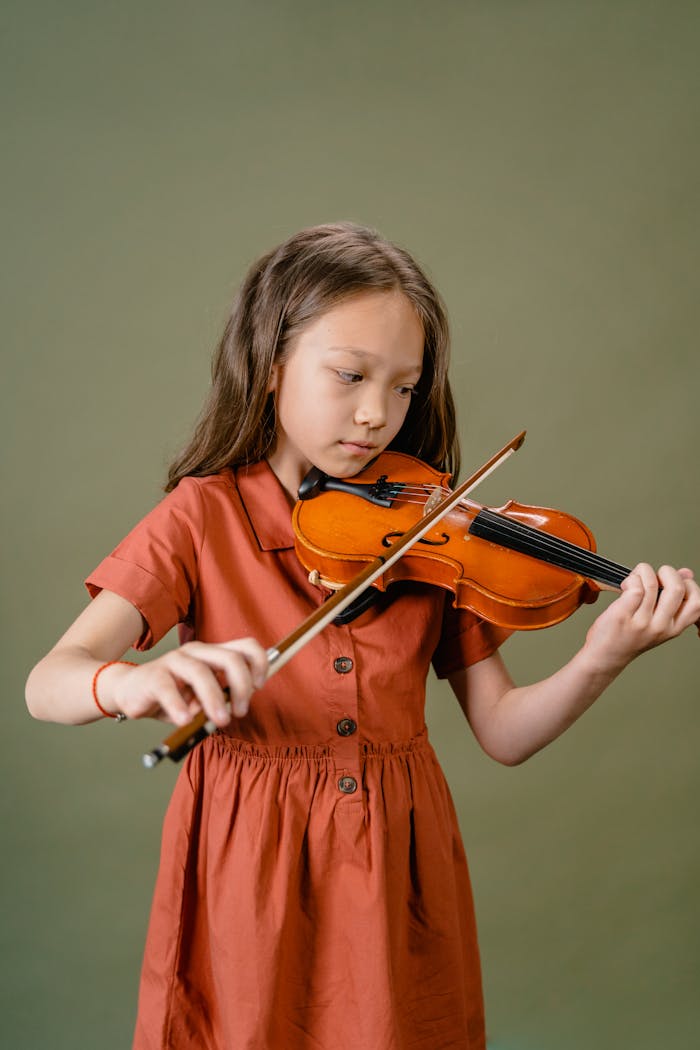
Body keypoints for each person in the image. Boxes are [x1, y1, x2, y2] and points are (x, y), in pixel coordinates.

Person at [25, 222, 700, 1050]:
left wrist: (606, 653)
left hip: (396, 871)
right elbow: (49, 680)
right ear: (270, 366)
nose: (378, 414)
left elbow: (505, 731)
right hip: (248, 874)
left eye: (405, 387)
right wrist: (132, 682)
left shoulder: (436, 530)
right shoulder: (201, 519)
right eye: (348, 376)